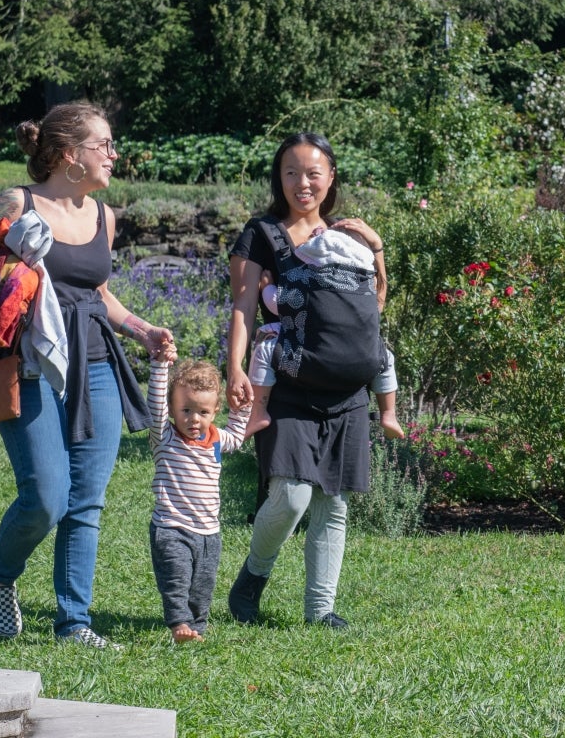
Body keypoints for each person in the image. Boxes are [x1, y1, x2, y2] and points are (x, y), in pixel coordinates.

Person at [0, 101, 173, 649]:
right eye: (105, 146)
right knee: (46, 496)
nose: (114, 155)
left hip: (95, 362)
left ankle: (75, 622)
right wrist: (6, 251)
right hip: (29, 364)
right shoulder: (15, 202)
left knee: (86, 501)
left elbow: (96, 293)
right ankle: (2, 574)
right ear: (71, 155)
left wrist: (142, 331)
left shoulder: (104, 217)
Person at [223, 133, 387, 630]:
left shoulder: (348, 238)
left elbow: (372, 310)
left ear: (331, 177)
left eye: (313, 173)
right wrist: (235, 366)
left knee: (332, 502)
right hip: (286, 380)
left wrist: (377, 250)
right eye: (291, 172)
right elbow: (244, 305)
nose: (302, 183)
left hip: (343, 385)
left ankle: (320, 610)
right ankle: (254, 574)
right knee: (291, 493)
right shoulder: (261, 233)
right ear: (280, 177)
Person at [244, 226, 402, 439]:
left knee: (266, 347)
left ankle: (258, 413)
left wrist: (266, 288)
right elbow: (376, 309)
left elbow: (276, 304)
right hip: (363, 367)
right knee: (386, 358)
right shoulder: (366, 285)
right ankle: (389, 414)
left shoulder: (309, 280)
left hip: (313, 364)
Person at [145, 344, 249, 644]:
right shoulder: (164, 437)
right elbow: (155, 408)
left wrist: (243, 407)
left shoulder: (217, 438)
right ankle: (179, 624)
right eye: (185, 410)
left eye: (203, 412)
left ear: (215, 411)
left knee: (203, 584)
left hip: (209, 532)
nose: (194, 419)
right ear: (172, 409)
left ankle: (197, 627)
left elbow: (238, 435)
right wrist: (160, 366)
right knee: (177, 579)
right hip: (171, 526)